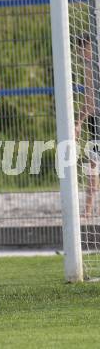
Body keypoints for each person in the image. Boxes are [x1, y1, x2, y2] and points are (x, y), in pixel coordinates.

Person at [75, 34, 99, 220]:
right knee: (93, 166)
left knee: (93, 167)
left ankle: (88, 212)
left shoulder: (90, 67)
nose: (82, 53)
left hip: (95, 119)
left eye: (84, 48)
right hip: (94, 120)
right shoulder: (89, 65)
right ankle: (88, 211)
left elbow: (90, 103)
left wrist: (78, 121)